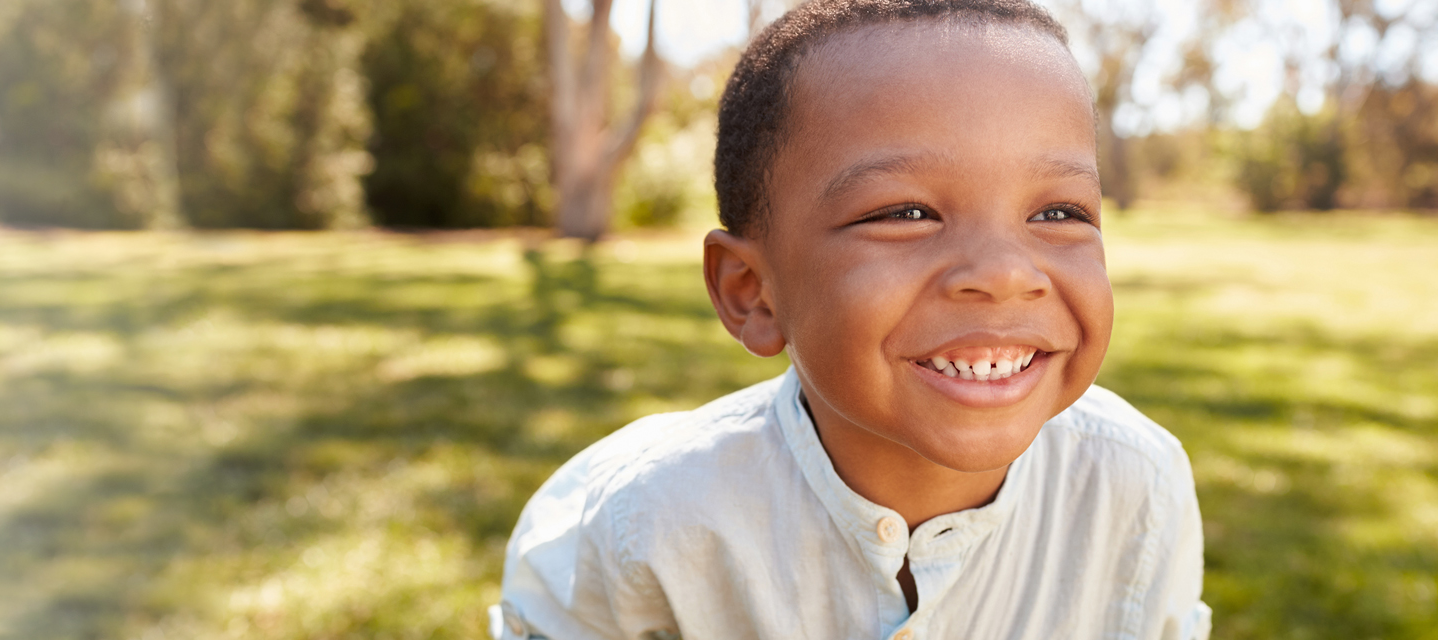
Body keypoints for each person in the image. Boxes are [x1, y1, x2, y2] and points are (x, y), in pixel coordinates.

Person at [488, 0, 1211, 638]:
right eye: (905, 213)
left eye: (1058, 213)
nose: (1005, 273)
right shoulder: (634, 529)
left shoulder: (1138, 490)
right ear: (752, 292)